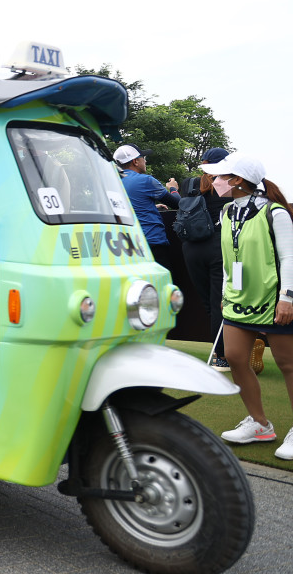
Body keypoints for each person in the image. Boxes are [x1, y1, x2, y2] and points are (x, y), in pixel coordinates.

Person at [203, 153, 293, 460]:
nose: (214, 181)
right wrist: (227, 290)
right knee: (235, 358)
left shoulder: (275, 212)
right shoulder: (227, 211)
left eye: (219, 176)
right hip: (239, 301)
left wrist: (288, 297)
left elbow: (289, 258)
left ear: (237, 181)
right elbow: (231, 256)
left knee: (288, 365)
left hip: (276, 301)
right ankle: (259, 423)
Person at [178, 148, 233, 370]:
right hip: (217, 247)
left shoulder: (188, 184)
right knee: (219, 304)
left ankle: (220, 353)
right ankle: (221, 356)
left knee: (209, 306)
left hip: (190, 248)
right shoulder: (227, 185)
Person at [113, 144, 180, 275]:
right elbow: (178, 204)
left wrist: (151, 207)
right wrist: (173, 189)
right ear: (135, 161)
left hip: (124, 246)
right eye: (143, 157)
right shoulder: (146, 180)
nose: (145, 161)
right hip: (152, 243)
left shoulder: (112, 181)